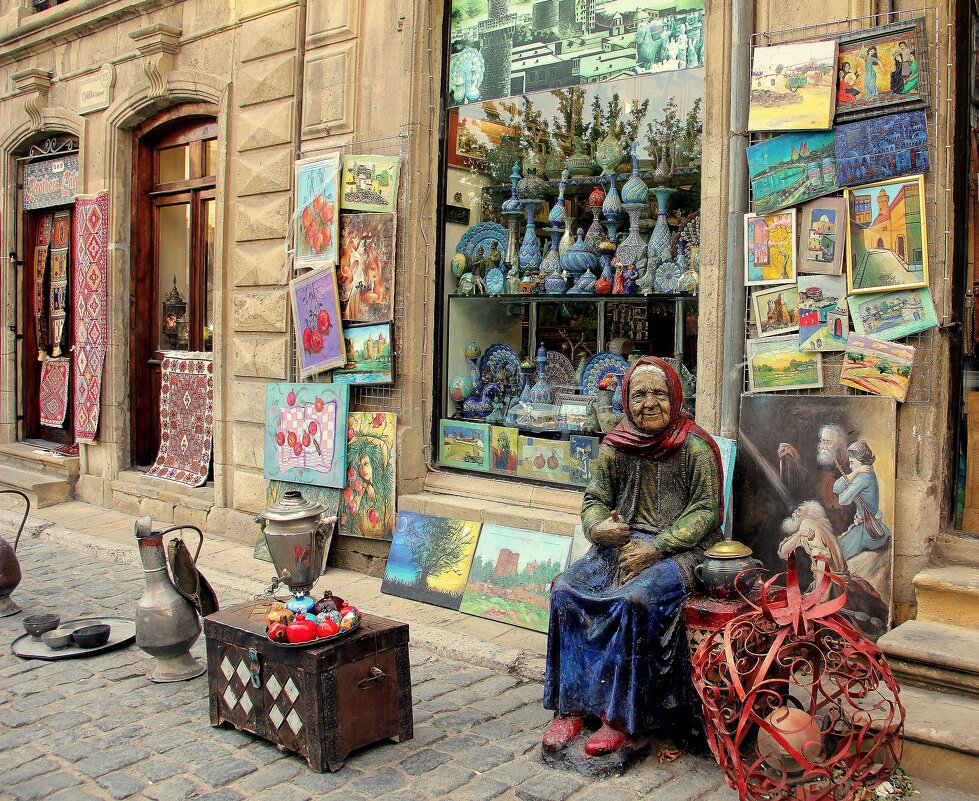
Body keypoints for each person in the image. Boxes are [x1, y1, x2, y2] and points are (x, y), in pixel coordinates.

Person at [542, 357, 723, 757]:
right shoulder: (615, 446)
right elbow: (595, 499)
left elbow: (707, 512)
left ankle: (619, 718)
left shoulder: (695, 448)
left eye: (659, 393)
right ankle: (571, 706)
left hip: (681, 551)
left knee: (631, 602)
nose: (649, 403)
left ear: (675, 397)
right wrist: (597, 528)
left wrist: (658, 546)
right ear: (626, 400)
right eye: (639, 394)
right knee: (565, 591)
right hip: (620, 546)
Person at [777, 500, 888, 639]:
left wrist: (820, 599)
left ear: (810, 515)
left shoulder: (809, 525)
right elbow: (783, 553)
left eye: (800, 510)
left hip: (832, 587)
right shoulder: (814, 528)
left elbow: (823, 563)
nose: (795, 511)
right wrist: (800, 534)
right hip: (841, 584)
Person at [833, 440, 892, 560]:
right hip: (864, 525)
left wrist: (856, 473)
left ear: (861, 462)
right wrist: (856, 471)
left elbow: (842, 500)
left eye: (852, 463)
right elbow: (836, 488)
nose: (850, 466)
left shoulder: (863, 478)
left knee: (837, 556)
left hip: (867, 531)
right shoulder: (863, 474)